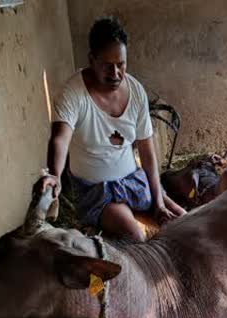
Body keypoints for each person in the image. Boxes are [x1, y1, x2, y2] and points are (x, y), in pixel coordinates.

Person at [40, 17, 185, 241]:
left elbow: (147, 154)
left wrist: (157, 203)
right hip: (96, 191)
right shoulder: (73, 94)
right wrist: (54, 175)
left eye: (121, 64)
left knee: (181, 217)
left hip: (132, 180)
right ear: (91, 60)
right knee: (135, 235)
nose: (116, 72)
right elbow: (60, 139)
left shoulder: (136, 91)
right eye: (108, 65)